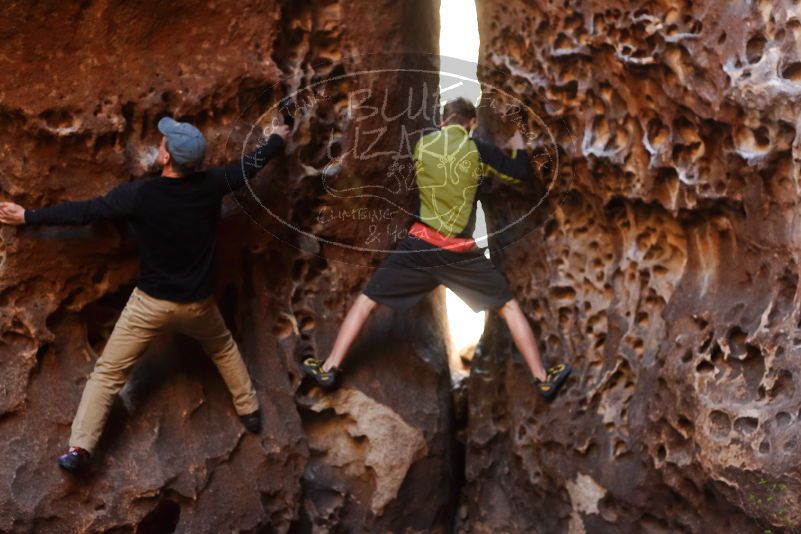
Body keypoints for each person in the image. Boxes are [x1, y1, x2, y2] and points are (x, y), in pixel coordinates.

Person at [0, 117, 290, 473]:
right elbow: (253, 164)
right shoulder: (215, 183)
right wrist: (278, 137)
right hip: (197, 305)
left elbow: (84, 212)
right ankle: (250, 411)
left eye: (163, 142)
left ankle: (80, 448)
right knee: (223, 348)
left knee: (106, 375)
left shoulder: (140, 195)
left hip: (149, 306)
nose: (160, 144)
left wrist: (28, 215)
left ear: (167, 158)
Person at [301, 98, 571, 398]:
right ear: (471, 123)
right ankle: (542, 378)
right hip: (460, 253)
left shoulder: (423, 145)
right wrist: (518, 143)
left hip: (421, 246)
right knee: (508, 307)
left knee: (366, 302)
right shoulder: (477, 149)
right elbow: (518, 172)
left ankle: (329, 367)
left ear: (443, 120)